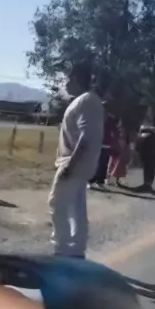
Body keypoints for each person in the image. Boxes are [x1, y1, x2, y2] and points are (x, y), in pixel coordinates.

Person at [48, 62, 104, 259]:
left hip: (73, 162)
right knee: (76, 207)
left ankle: (62, 248)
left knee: (58, 204)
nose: (66, 83)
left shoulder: (85, 101)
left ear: (77, 79)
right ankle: (76, 249)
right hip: (81, 164)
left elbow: (85, 137)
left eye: (69, 78)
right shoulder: (88, 100)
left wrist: (70, 166)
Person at [88, 107, 116, 190]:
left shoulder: (111, 120)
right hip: (96, 144)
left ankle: (100, 181)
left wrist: (114, 141)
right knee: (94, 164)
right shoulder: (96, 118)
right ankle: (90, 181)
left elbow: (114, 131)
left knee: (104, 164)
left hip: (107, 144)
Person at [135, 113, 155, 192]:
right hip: (151, 151)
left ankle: (147, 184)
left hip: (147, 151)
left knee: (147, 168)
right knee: (150, 168)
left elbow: (140, 138)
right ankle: (148, 184)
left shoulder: (149, 129)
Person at [108, 122, 131, 187]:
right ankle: (109, 179)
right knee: (112, 164)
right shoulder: (116, 133)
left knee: (119, 167)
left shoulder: (124, 135)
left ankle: (116, 180)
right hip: (116, 151)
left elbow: (127, 142)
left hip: (121, 152)